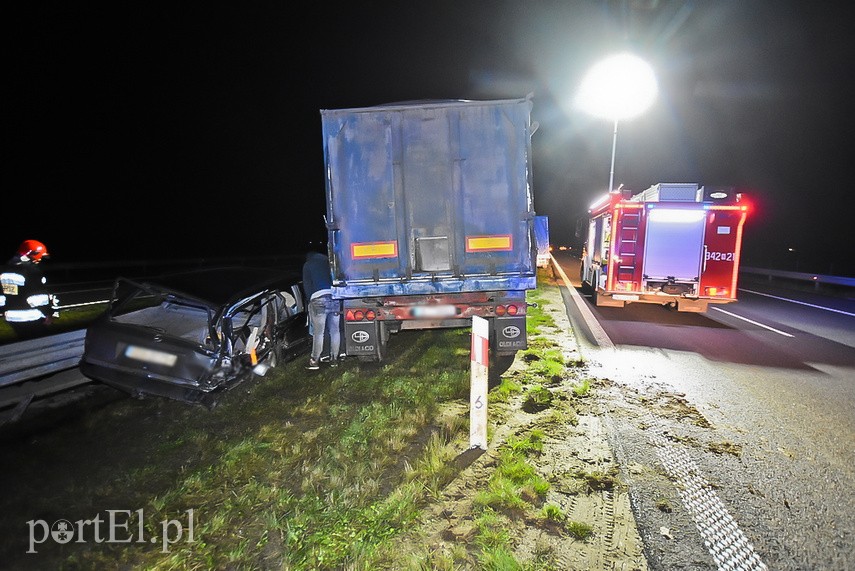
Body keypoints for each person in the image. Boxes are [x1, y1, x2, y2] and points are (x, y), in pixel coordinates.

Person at [1, 239, 59, 339]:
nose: (40, 260)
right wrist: (49, 313)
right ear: (33, 254)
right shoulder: (31, 271)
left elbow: (2, 297)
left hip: (11, 318)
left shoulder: (5, 270)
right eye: (40, 256)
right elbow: (37, 298)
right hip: (32, 317)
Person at [301, 248, 341, 370]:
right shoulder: (329, 262)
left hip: (318, 299)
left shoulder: (308, 265)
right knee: (335, 330)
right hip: (334, 297)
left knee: (319, 332)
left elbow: (307, 285)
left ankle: (315, 360)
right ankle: (334, 359)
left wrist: (309, 300)